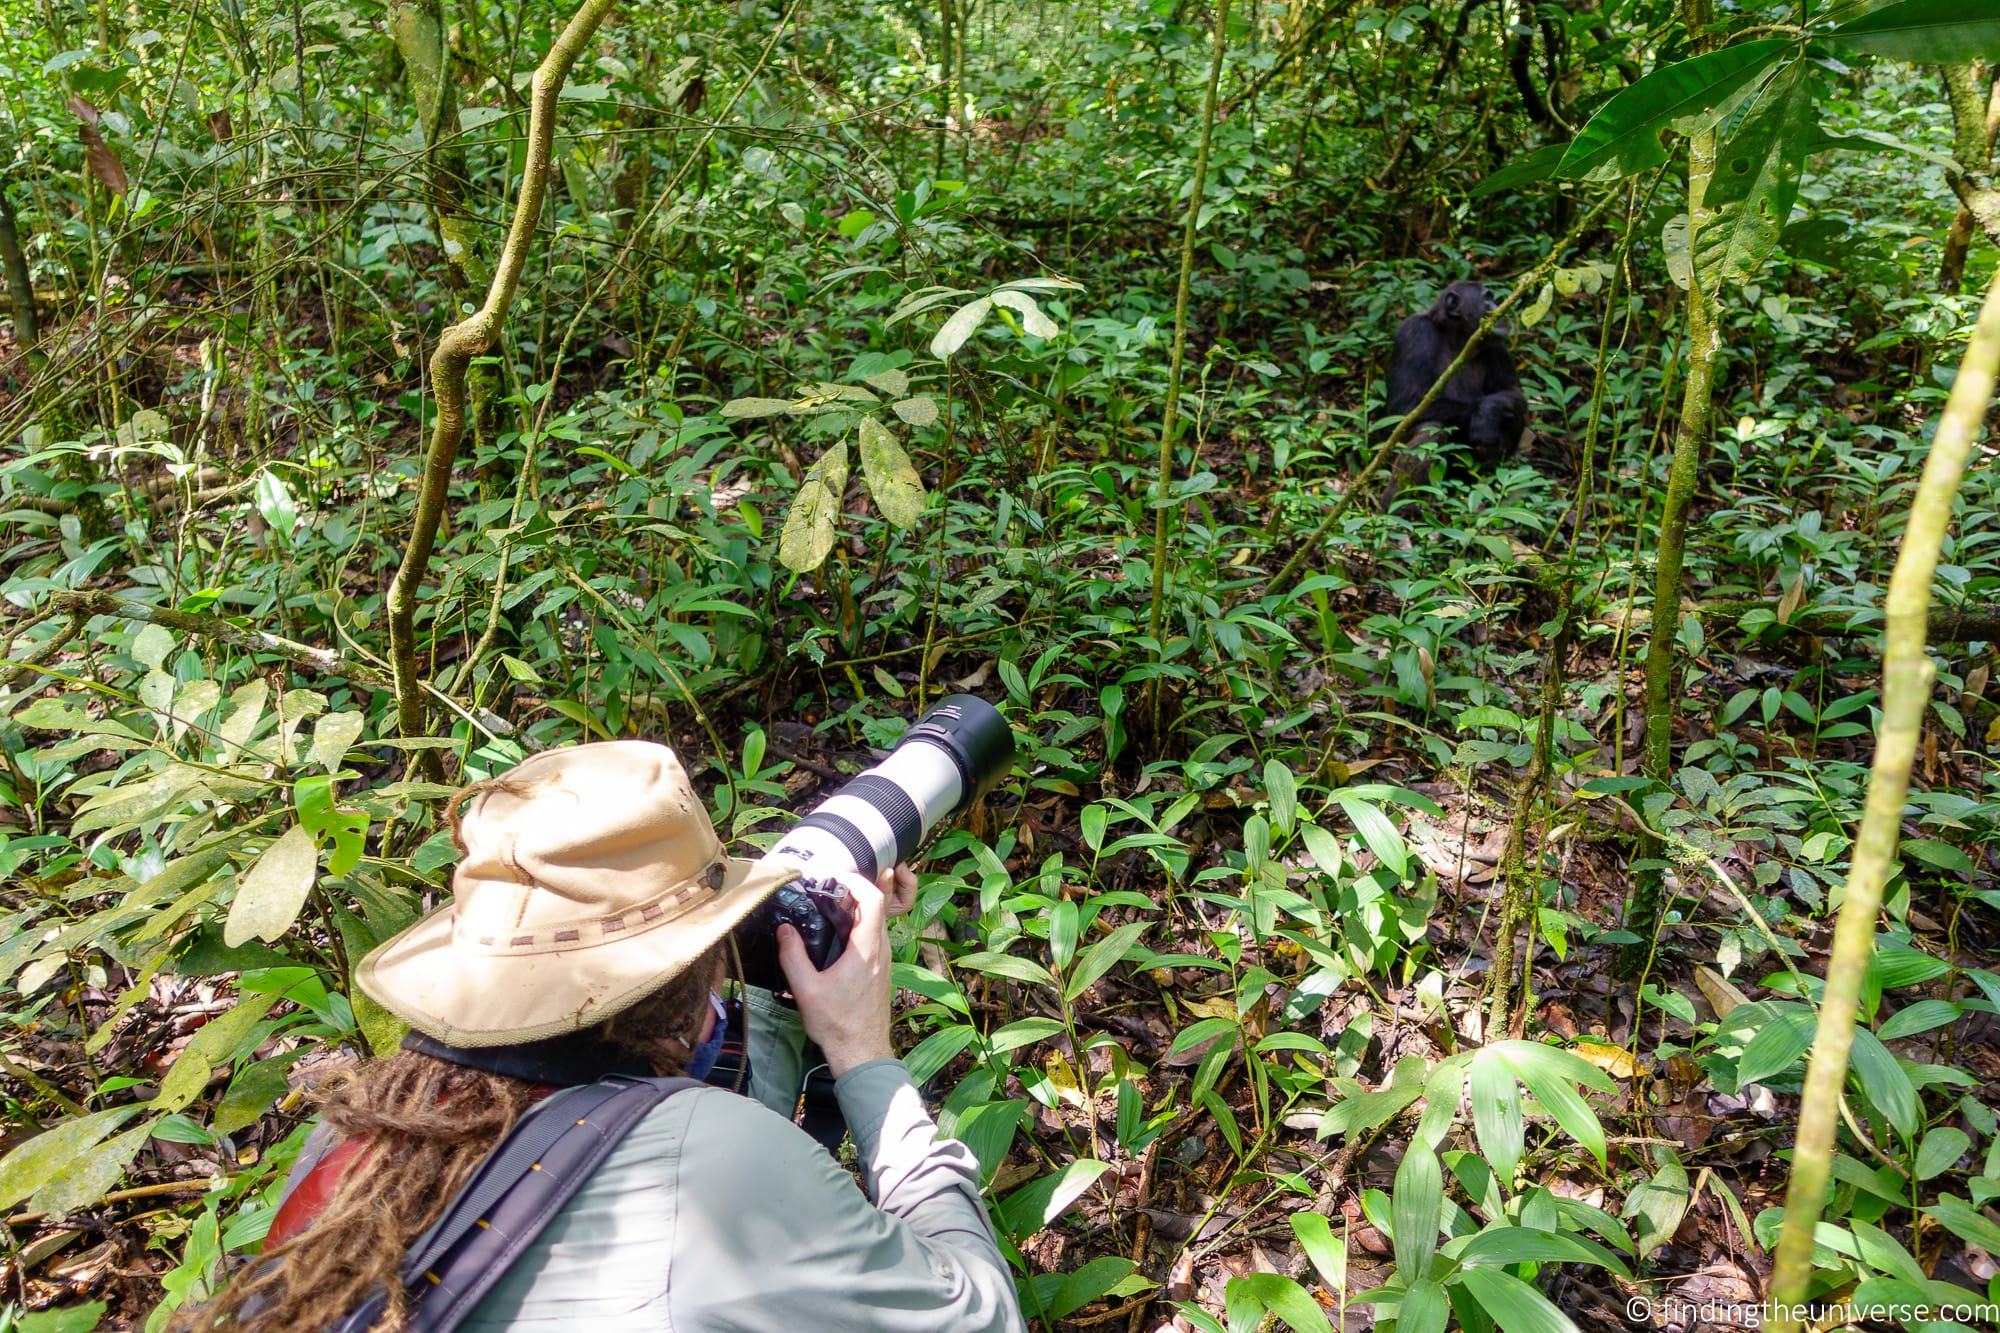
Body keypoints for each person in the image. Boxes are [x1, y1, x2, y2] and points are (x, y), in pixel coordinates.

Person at [185, 740, 1026, 1332]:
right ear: (699, 964)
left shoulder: (369, 1127)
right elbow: (979, 1316)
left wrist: (776, 994)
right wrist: (860, 1049)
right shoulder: (711, 1164)